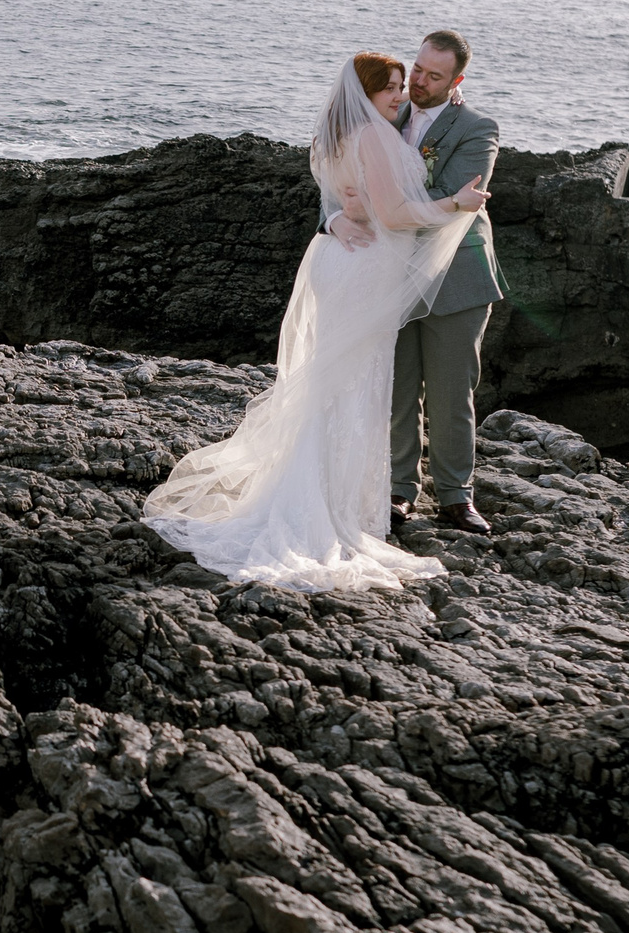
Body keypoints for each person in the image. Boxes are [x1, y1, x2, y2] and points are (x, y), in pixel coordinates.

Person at [142, 52, 488, 592]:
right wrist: (450, 204)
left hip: (369, 267)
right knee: (351, 385)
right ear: (372, 90)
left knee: (358, 383)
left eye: (421, 80)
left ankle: (414, 497)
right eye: (400, 81)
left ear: (454, 83)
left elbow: (361, 186)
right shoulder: (376, 126)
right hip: (363, 264)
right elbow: (377, 206)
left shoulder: (371, 122)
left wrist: (351, 210)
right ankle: (336, 506)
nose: (408, 89)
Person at [389, 29, 502, 534]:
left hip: (457, 273)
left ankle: (457, 498)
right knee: (397, 387)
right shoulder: (382, 113)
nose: (419, 82)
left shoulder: (477, 127)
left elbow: (453, 195)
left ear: (456, 80)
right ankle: (398, 489)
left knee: (453, 391)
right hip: (388, 272)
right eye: (417, 69)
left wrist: (382, 198)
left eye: (434, 76)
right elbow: (344, 174)